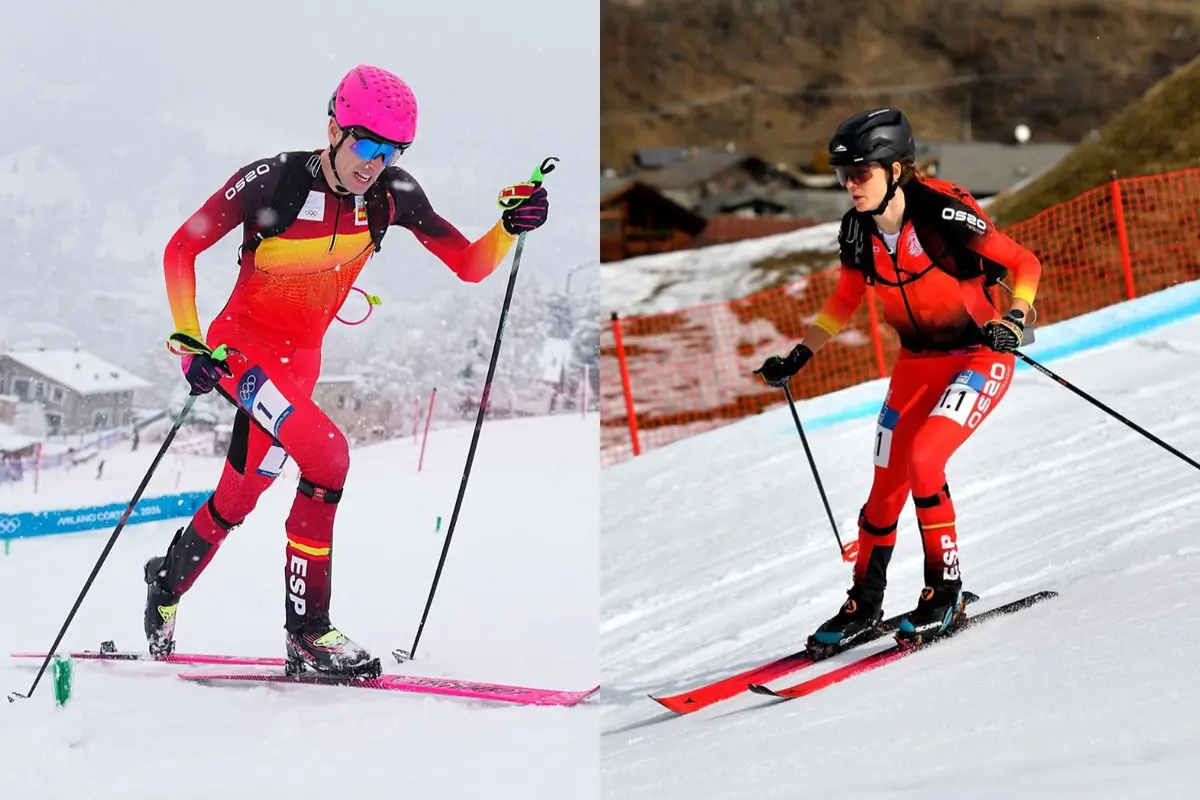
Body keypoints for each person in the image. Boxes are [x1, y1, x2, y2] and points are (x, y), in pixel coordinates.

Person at [144, 64, 550, 677]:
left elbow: (470, 265)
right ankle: (309, 634)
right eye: (365, 143)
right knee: (328, 455)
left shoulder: (394, 196)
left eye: (392, 150)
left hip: (298, 367)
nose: (375, 161)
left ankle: (165, 581)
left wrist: (508, 227)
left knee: (239, 495)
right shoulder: (273, 181)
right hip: (239, 355)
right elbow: (183, 246)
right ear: (333, 127)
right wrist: (188, 342)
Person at [755, 108, 1041, 652]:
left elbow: (1024, 263)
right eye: (844, 175)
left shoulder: (943, 214)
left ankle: (945, 591)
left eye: (861, 171)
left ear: (894, 169)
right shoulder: (856, 230)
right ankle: (864, 602)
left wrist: (1016, 318)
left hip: (978, 355)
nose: (851, 184)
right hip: (916, 364)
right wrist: (800, 354)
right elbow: (844, 300)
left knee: (925, 461)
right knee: (885, 487)